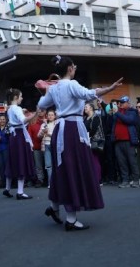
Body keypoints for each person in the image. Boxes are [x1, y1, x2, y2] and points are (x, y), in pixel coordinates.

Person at [38, 55, 123, 230]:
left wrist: (48, 92)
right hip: (72, 129)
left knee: (62, 169)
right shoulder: (72, 84)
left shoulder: (54, 88)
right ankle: (70, 218)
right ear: (69, 69)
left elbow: (41, 104)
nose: (75, 68)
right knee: (74, 169)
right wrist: (111, 88)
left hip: (61, 130)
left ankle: (54, 207)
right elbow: (90, 94)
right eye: (74, 66)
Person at [3, 88, 38, 200]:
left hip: (14, 136)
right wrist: (35, 113)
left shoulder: (9, 109)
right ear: (16, 97)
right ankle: (20, 191)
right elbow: (23, 120)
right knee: (21, 160)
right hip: (19, 136)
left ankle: (7, 188)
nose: (22, 98)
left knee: (12, 160)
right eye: (21, 96)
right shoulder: (16, 108)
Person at [111, 96, 140, 188]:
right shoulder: (117, 112)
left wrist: (117, 113)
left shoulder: (132, 112)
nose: (121, 104)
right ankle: (125, 181)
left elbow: (129, 120)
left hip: (129, 141)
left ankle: (136, 180)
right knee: (121, 162)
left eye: (123, 102)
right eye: (120, 102)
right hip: (118, 141)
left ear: (128, 103)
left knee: (132, 162)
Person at [84, 102, 104, 185]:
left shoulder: (95, 117)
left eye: (86, 107)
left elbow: (94, 130)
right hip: (87, 141)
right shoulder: (85, 118)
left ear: (91, 108)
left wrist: (87, 135)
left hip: (94, 141)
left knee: (94, 159)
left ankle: (98, 179)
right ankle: (91, 179)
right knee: (88, 161)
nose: (85, 108)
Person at [38, 110, 56, 188]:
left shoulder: (57, 124)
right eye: (49, 115)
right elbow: (38, 136)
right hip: (46, 145)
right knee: (48, 165)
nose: (50, 116)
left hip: (55, 145)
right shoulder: (44, 125)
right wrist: (42, 132)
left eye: (52, 115)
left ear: (55, 116)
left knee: (56, 164)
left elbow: (58, 135)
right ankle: (50, 183)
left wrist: (48, 134)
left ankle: (58, 182)